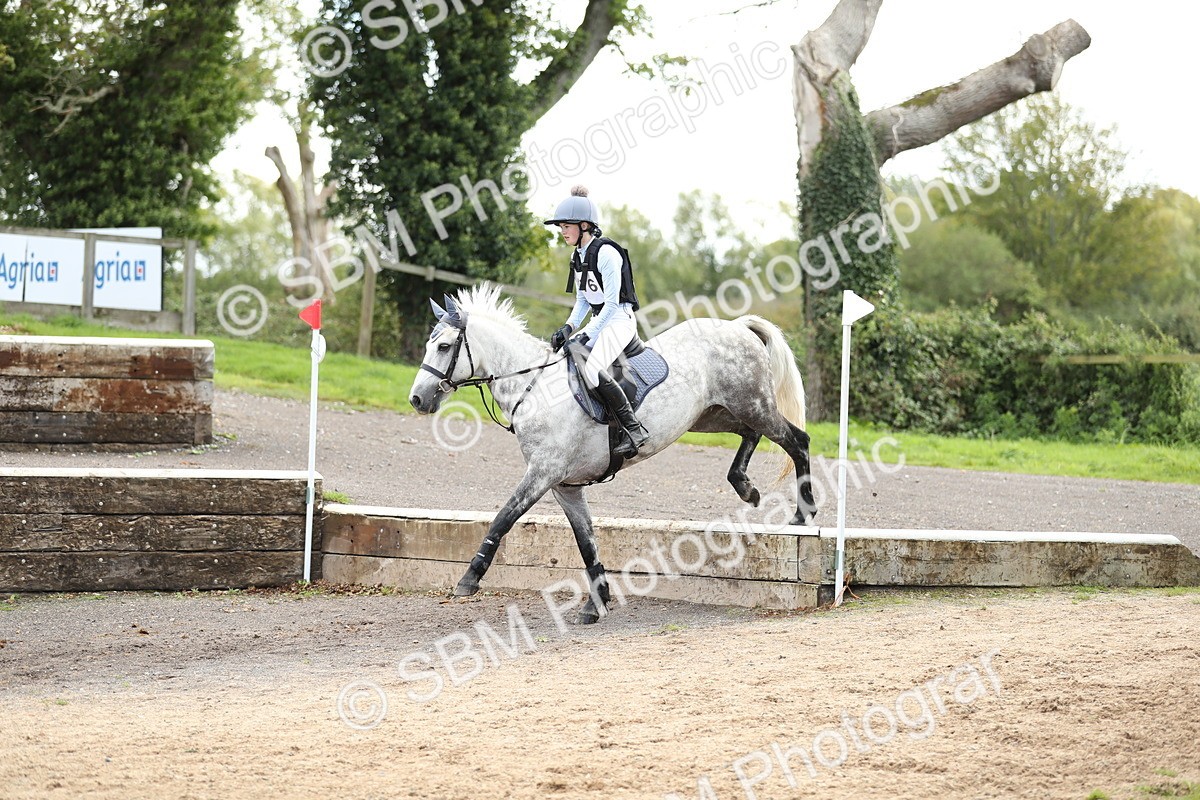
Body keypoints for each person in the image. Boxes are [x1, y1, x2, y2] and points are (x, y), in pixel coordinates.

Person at [544, 185, 650, 458]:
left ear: (584, 226)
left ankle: (634, 429)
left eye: (566, 226)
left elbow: (612, 304)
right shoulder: (577, 256)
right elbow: (583, 301)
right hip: (600, 320)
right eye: (561, 226)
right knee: (565, 360)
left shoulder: (606, 254)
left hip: (619, 321)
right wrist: (568, 327)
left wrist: (585, 334)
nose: (562, 231)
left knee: (592, 370)